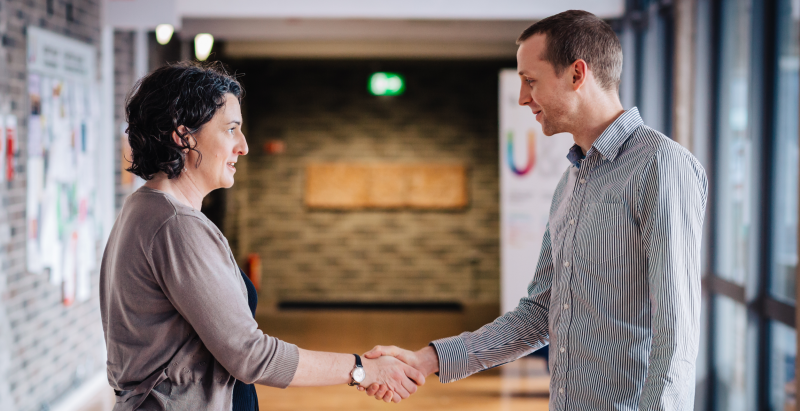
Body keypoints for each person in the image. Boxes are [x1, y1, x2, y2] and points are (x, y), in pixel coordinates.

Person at [362, 10, 708, 410]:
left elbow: (676, 333)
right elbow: (539, 313)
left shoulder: (661, 166)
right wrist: (427, 359)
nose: (523, 97)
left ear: (577, 74)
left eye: (530, 81)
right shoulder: (571, 183)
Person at [99, 62, 423, 411]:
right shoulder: (174, 225)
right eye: (231, 130)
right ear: (184, 136)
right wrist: (363, 369)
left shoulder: (144, 209)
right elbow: (250, 355)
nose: (243, 146)